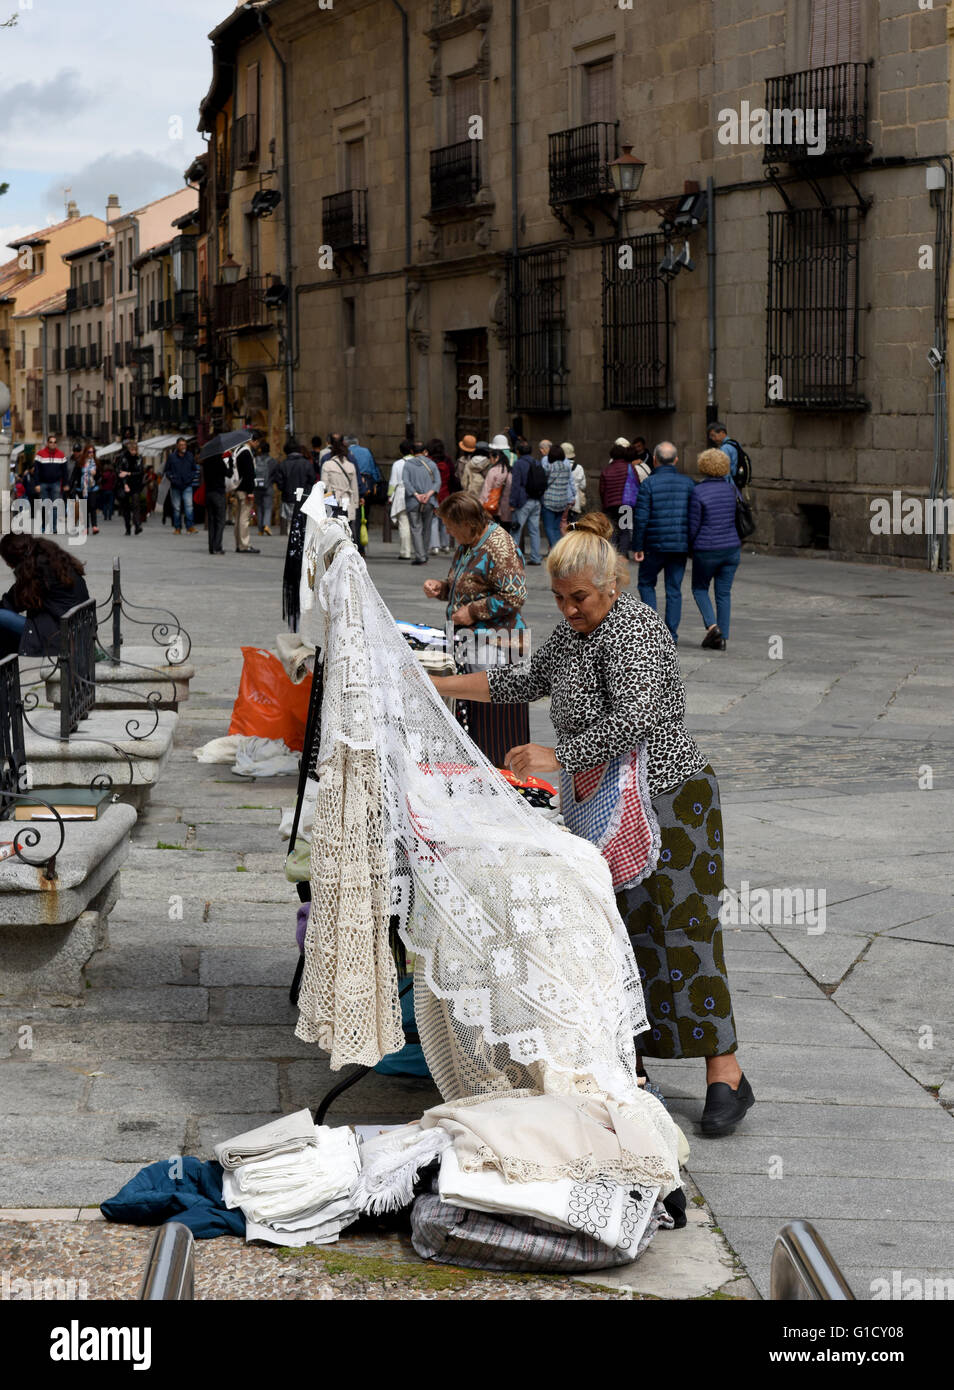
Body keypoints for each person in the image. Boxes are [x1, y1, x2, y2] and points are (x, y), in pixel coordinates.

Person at [427, 511, 753, 1134]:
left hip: (671, 800)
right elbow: (525, 679)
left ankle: (726, 1073)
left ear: (612, 585)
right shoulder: (577, 636)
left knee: (682, 933)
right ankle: (629, 1066)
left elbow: (634, 722)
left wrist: (559, 755)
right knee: (620, 934)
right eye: (559, 599)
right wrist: (442, 684)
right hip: (609, 803)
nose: (568, 609)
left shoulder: (636, 631)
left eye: (577, 598)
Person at [422, 490, 529, 765]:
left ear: (467, 523)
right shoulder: (468, 542)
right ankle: (478, 773)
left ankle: (499, 776)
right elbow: (470, 586)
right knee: (472, 715)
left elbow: (514, 595)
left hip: (496, 644)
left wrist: (472, 611)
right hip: (471, 640)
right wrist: (443, 588)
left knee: (492, 719)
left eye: (449, 525)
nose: (446, 530)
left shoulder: (499, 546)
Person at [632, 442, 694, 645]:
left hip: (653, 545)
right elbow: (694, 517)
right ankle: (671, 635)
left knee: (646, 583)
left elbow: (641, 517)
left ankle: (652, 631)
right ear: (676, 460)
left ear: (655, 460)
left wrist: (638, 546)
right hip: (679, 545)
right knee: (674, 589)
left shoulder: (648, 484)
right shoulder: (688, 483)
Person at [0, 534, 91, 658]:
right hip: (77, 628)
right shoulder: (50, 558)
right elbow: (14, 599)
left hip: (62, 633)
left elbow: (15, 601)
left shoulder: (38, 569)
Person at [688, 448, 741, 651]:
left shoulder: (698, 491)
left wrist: (690, 546)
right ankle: (723, 636)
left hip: (707, 548)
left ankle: (713, 627)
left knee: (700, 588)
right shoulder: (731, 489)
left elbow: (694, 524)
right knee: (724, 593)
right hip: (731, 547)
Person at [401, 446, 441, 565]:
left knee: (415, 528)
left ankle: (420, 556)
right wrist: (428, 494)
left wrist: (416, 495)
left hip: (413, 501)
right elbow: (438, 481)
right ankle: (425, 553)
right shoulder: (432, 464)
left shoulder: (407, 465)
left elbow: (406, 481)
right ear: (424, 452)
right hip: (429, 501)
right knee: (427, 528)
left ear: (412, 451)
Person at [320, 434, 361, 549]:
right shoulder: (351, 466)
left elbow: (324, 486)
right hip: (347, 498)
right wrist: (356, 503)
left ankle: (333, 547)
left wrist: (324, 502)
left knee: (332, 525)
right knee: (347, 524)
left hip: (332, 498)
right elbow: (354, 487)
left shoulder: (327, 465)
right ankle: (346, 547)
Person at [507, 441, 545, 566]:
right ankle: (536, 557)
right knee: (534, 530)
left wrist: (512, 502)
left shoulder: (519, 464)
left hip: (523, 501)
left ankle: (513, 558)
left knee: (516, 529)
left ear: (518, 452)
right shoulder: (537, 462)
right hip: (536, 500)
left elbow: (516, 485)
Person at [230, 431, 262, 554]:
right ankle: (244, 544)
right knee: (244, 518)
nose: (257, 444)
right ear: (252, 440)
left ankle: (239, 543)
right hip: (245, 489)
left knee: (238, 517)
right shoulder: (246, 453)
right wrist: (250, 492)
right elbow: (249, 474)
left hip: (238, 487)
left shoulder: (238, 451)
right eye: (257, 441)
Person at [274, 440, 318, 526]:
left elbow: (280, 483)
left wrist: (285, 489)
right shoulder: (306, 463)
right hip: (304, 498)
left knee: (291, 524)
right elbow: (313, 479)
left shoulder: (282, 464)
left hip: (288, 498)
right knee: (304, 523)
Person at [540, 443, 573, 551]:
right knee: (556, 527)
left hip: (549, 500)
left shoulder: (548, 467)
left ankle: (555, 549)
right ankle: (558, 549)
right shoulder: (567, 468)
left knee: (548, 527)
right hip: (562, 501)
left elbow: (544, 482)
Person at [33, 433, 68, 534]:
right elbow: (36, 471)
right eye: (51, 442)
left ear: (56, 444)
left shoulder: (61, 455)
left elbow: (65, 472)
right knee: (45, 506)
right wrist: (37, 484)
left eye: (54, 442)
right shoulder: (40, 454)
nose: (53, 444)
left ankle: (54, 527)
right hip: (43, 484)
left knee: (55, 506)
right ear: (47, 443)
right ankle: (44, 525)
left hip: (56, 484)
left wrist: (65, 484)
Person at [424, 438, 454, 554]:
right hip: (445, 492)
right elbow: (452, 477)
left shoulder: (428, 462)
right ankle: (445, 544)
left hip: (432, 493)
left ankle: (435, 545)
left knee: (433, 520)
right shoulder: (447, 461)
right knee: (445, 520)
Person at [599, 443, 631, 549]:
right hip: (626, 504)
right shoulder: (630, 468)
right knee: (624, 529)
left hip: (610, 505)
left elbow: (602, 490)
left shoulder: (607, 470)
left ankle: (612, 554)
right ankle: (623, 555)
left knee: (611, 530)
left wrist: (604, 504)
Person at [479, 436, 514, 529]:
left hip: (493, 507)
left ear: (496, 457)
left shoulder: (493, 471)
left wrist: (480, 504)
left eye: (490, 457)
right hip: (506, 509)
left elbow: (486, 489)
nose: (490, 460)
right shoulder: (509, 470)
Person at [388, 440, 415, 560]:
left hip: (401, 494)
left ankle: (405, 552)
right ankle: (418, 550)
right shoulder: (418, 463)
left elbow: (393, 482)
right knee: (416, 524)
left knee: (404, 524)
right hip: (416, 494)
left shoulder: (397, 464)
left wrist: (390, 496)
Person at [165, 437, 197, 534]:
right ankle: (177, 527)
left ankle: (190, 526)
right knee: (176, 507)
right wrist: (172, 478)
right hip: (175, 485)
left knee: (189, 506)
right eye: (181, 445)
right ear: (177, 446)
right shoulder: (171, 457)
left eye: (184, 445)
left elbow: (194, 469)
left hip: (187, 484)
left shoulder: (190, 456)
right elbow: (167, 470)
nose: (183, 447)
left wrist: (190, 478)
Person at [116, 438, 144, 537]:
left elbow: (140, 472)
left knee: (136, 505)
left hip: (135, 485)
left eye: (135, 450)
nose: (133, 451)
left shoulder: (139, 458)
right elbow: (119, 472)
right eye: (132, 450)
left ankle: (137, 526)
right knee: (126, 508)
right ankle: (128, 528)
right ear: (128, 449)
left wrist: (128, 473)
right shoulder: (122, 458)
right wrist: (125, 484)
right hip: (125, 485)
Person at [254, 440, 276, 536]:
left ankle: (260, 530)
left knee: (259, 508)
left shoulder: (255, 460)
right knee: (267, 507)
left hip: (257, 487)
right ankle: (266, 525)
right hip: (268, 487)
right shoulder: (272, 461)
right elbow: (275, 474)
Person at [79, 443, 99, 534]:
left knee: (93, 506)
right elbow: (76, 474)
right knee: (85, 508)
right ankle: (85, 528)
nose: (91, 453)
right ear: (85, 452)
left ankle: (94, 526)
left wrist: (95, 473)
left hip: (93, 487)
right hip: (83, 488)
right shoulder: (81, 462)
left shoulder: (96, 462)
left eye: (93, 452)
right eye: (89, 452)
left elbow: (99, 475)